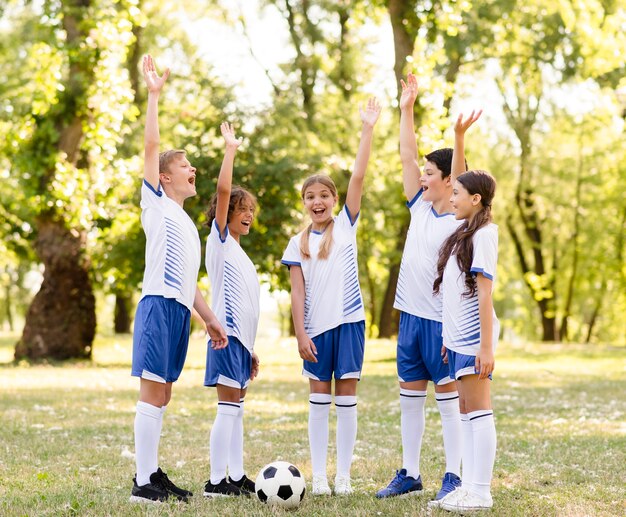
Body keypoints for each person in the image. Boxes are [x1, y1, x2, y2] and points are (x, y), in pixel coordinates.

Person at [375, 72, 481, 504]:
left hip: (442, 323)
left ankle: (453, 474)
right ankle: (411, 473)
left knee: (448, 401)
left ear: (447, 182)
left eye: (430, 172)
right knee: (409, 398)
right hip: (410, 319)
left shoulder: (456, 218)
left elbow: (462, 174)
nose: (421, 175)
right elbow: (405, 156)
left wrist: (457, 139)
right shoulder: (419, 207)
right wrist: (405, 109)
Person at [130, 55, 228, 504]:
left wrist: (208, 319)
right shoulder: (157, 204)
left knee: (164, 393)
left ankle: (152, 473)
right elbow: (151, 148)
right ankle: (142, 484)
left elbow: (188, 283)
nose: (194, 171)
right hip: (156, 306)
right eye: (186, 167)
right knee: (153, 390)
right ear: (165, 177)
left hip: (178, 310)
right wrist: (153, 97)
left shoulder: (188, 224)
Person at [281, 98, 381, 496]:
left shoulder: (347, 227)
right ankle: (319, 475)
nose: (317, 201)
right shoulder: (297, 242)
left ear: (334, 200)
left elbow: (358, 177)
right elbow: (297, 291)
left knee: (347, 401)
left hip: (350, 325)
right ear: (304, 203)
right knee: (319, 404)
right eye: (310, 197)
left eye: (324, 195)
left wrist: (367, 128)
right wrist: (300, 334)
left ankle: (343, 476)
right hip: (316, 331)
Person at [433, 169, 499, 513]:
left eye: (457, 192)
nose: (452, 198)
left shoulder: (485, 234)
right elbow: (456, 295)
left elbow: (484, 296)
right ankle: (468, 487)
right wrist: (447, 337)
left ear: (476, 199)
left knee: (479, 413)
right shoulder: (464, 233)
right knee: (465, 413)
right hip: (457, 340)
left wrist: (485, 348)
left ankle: (480, 492)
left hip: (474, 339)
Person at [203, 122, 261, 498]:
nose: (247, 214)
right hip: (225, 340)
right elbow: (224, 189)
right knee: (227, 409)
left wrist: (251, 348)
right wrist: (230, 150)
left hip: (240, 343)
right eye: (241, 208)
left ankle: (236, 476)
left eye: (251, 209)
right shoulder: (220, 240)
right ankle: (215, 481)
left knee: (236, 409)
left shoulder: (239, 252)